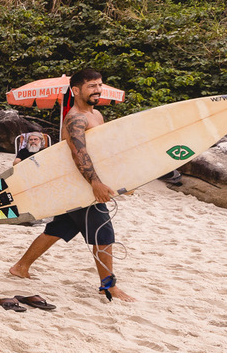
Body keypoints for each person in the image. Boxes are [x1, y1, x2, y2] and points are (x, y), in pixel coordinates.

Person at [9, 69, 135, 302]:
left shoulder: (96, 115)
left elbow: (101, 153)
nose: (98, 89)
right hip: (82, 185)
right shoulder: (76, 118)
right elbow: (80, 153)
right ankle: (109, 286)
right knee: (103, 233)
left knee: (60, 228)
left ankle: (20, 267)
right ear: (76, 90)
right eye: (91, 86)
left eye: (100, 85)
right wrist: (95, 183)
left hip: (82, 183)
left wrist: (121, 181)